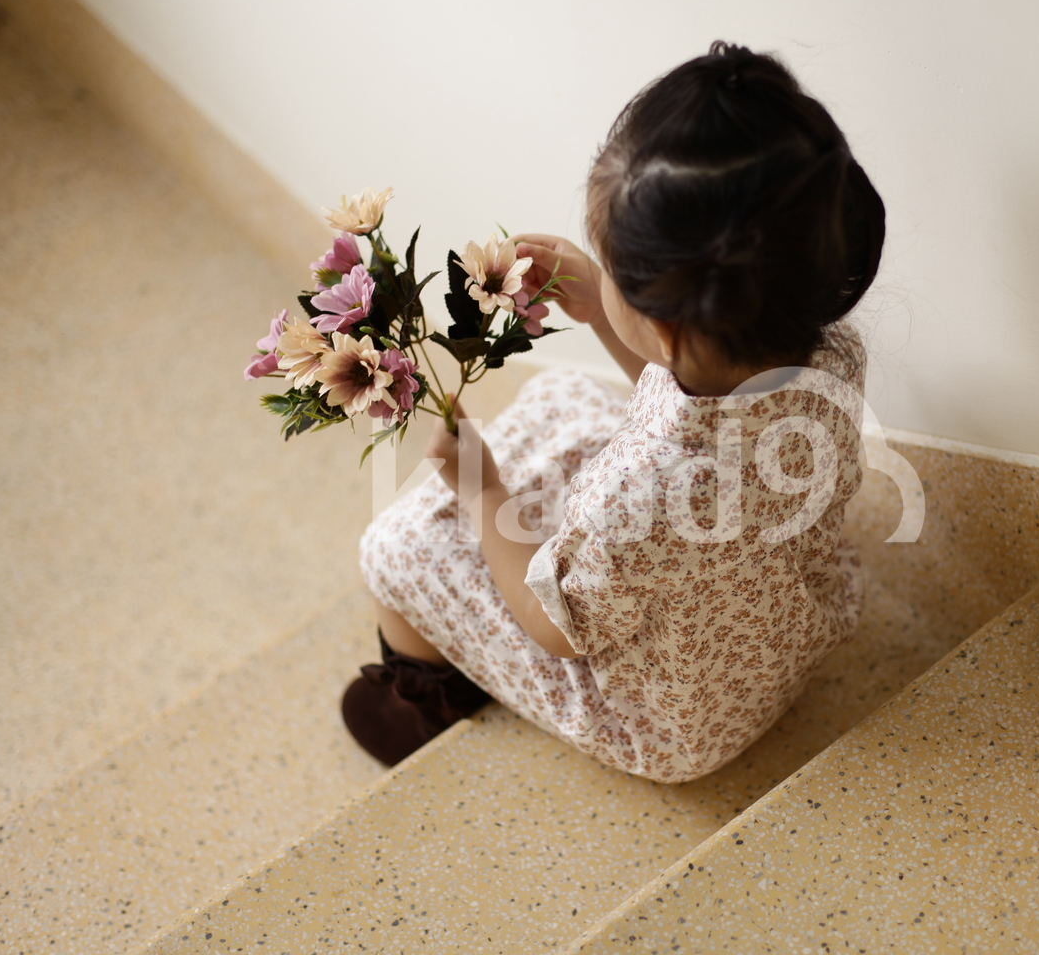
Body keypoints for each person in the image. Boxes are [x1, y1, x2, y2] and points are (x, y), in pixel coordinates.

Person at [346, 41, 886, 782]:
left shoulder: (633, 496)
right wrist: (606, 310)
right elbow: (686, 393)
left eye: (620, 278)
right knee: (566, 399)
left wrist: (480, 487)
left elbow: (556, 628)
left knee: (396, 547)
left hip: (674, 725)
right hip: (790, 628)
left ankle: (423, 696)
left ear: (667, 328)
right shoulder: (831, 353)